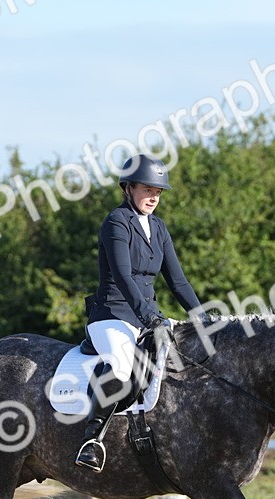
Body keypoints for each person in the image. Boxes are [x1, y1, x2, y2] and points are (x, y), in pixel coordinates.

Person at [75, 154, 204, 472]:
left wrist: (205, 318)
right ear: (128, 188)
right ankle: (92, 440)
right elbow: (123, 277)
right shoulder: (115, 222)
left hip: (148, 318)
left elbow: (178, 281)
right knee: (121, 368)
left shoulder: (159, 228)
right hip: (112, 316)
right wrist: (151, 318)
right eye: (147, 189)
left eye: (158, 192)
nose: (153, 197)